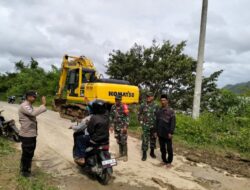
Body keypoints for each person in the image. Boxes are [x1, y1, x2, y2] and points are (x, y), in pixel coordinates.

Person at [71, 99, 110, 165]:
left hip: (95, 140)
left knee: (80, 139)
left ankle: (81, 158)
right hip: (106, 140)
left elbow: (90, 130)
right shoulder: (106, 116)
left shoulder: (93, 118)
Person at [18, 91, 47, 177]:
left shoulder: (28, 105)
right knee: (27, 153)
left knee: (29, 153)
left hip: (31, 134)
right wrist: (43, 105)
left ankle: (25, 169)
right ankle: (25, 172)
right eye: (34, 97)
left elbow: (33, 111)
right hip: (27, 134)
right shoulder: (24, 105)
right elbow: (33, 113)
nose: (35, 99)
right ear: (28, 97)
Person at [156, 94, 176, 167]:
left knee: (169, 148)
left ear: (167, 101)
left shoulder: (171, 111)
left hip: (167, 133)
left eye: (164, 100)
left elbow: (173, 122)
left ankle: (169, 162)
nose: (162, 102)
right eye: (161, 100)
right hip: (160, 132)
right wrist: (156, 131)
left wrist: (171, 132)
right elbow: (157, 121)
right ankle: (164, 160)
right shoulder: (159, 110)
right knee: (162, 148)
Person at [138, 92, 158, 161]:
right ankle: (144, 154)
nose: (148, 97)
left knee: (153, 139)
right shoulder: (143, 105)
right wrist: (141, 122)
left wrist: (157, 126)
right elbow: (139, 114)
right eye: (147, 96)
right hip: (145, 126)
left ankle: (152, 152)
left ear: (152, 97)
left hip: (153, 126)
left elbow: (158, 116)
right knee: (145, 139)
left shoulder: (156, 106)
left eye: (149, 96)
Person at [109, 95, 129, 161]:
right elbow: (111, 116)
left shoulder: (124, 106)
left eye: (118, 100)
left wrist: (126, 126)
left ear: (120, 100)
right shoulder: (113, 107)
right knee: (118, 140)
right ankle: (121, 153)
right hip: (116, 127)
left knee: (124, 141)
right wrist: (111, 126)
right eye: (116, 100)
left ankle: (125, 155)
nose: (117, 101)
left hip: (123, 127)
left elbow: (127, 117)